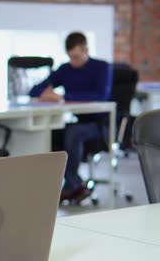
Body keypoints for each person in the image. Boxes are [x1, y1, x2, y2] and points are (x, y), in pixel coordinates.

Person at [29, 32, 112, 202]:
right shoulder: (66, 69)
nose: (73, 62)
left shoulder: (102, 67)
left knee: (73, 132)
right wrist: (45, 93)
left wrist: (63, 97)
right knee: (52, 133)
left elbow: (101, 95)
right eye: (70, 57)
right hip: (77, 122)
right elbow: (35, 90)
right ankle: (66, 184)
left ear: (86, 49)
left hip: (100, 125)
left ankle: (72, 185)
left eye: (76, 57)